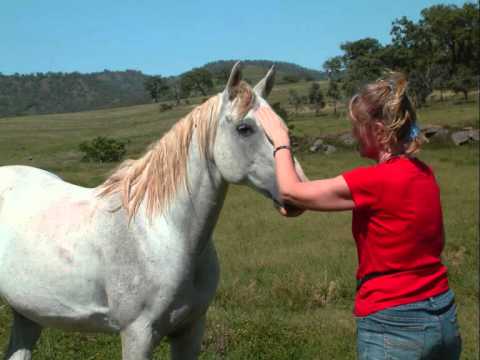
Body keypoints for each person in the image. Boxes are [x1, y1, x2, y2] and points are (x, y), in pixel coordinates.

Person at [257, 73, 462, 360]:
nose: (353, 134)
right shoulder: (424, 173)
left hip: (395, 325)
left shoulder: (374, 181)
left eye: (357, 127)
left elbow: (290, 191)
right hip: (443, 315)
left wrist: (280, 140)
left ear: (378, 131)